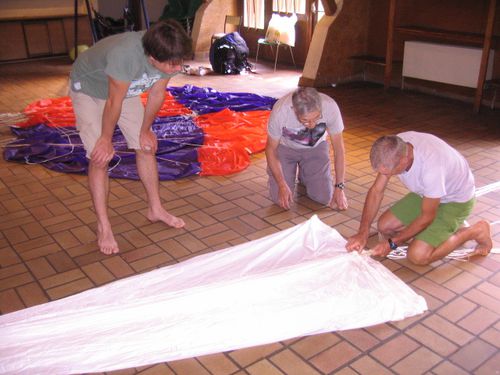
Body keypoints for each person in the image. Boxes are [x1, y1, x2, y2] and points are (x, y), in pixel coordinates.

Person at [69, 20, 192, 255]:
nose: (176, 67)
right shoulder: (125, 56)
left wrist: (145, 129)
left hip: (122, 91)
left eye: (179, 62)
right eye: (170, 64)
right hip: (89, 88)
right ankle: (103, 226)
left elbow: (157, 93)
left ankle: (155, 209)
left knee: (146, 147)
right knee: (100, 157)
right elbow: (113, 102)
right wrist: (105, 139)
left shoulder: (168, 53)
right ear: (151, 58)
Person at [346, 131, 492, 265]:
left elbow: (427, 217)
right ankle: (444, 228)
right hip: (428, 194)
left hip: (456, 201)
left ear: (405, 159)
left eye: (390, 172)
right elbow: (376, 191)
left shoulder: (432, 167)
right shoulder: (395, 145)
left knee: (418, 255)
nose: (387, 176)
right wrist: (362, 232)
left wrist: (392, 243)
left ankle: (474, 231)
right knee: (384, 226)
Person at [265, 87, 348, 210]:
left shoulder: (330, 106)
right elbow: (270, 150)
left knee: (324, 198)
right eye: (305, 121)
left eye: (317, 118)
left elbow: (339, 149)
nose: (312, 125)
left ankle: (306, 174)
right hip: (285, 148)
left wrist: (339, 187)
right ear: (294, 110)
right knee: (280, 200)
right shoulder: (280, 111)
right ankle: (293, 174)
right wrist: (281, 184)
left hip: (315, 147)